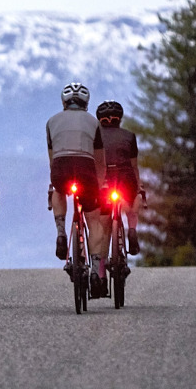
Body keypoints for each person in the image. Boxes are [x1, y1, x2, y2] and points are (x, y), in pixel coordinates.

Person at [46, 82, 108, 293]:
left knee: (58, 190)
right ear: (86, 103)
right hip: (86, 169)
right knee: (93, 220)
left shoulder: (51, 122)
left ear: (64, 102)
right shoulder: (94, 122)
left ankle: (61, 232)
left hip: (61, 167)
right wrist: (100, 186)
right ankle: (95, 269)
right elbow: (100, 161)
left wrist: (52, 183)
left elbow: (52, 159)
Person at [95, 100, 142, 262]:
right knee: (136, 196)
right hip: (125, 177)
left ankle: (100, 269)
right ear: (119, 119)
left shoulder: (94, 137)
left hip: (103, 180)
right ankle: (132, 228)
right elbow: (134, 167)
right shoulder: (129, 136)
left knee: (104, 225)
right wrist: (139, 188)